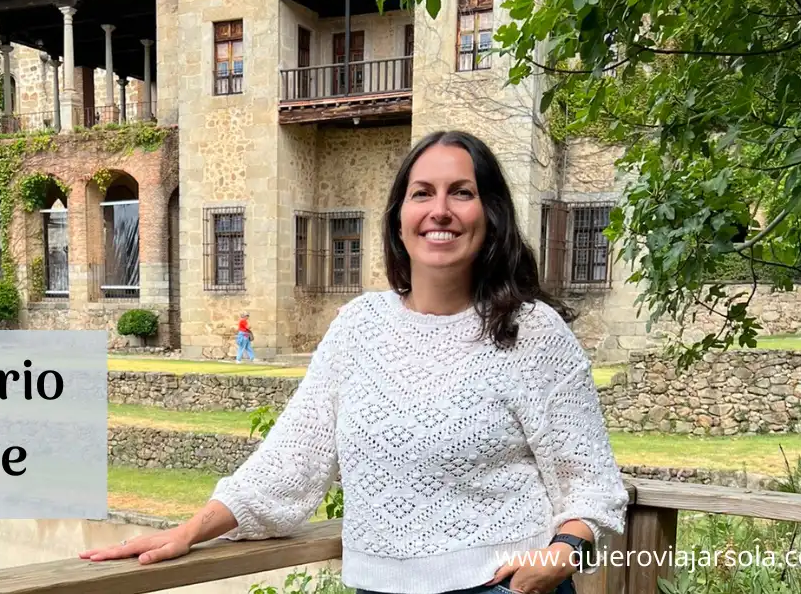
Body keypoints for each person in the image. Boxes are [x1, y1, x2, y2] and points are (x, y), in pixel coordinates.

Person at [79, 131, 628, 594]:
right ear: (398, 219)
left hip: (502, 586)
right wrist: (189, 531)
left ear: (491, 215)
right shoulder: (358, 327)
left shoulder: (532, 332)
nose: (440, 210)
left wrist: (562, 553)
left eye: (461, 192)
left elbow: (590, 481)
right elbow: (293, 461)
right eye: (422, 193)